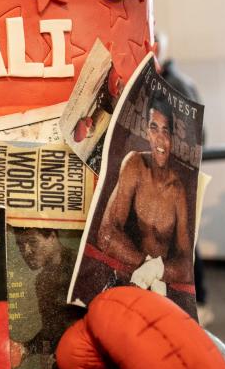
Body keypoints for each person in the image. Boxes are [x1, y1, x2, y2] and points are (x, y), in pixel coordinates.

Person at [77, 92, 195, 312]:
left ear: (173, 139)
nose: (160, 139)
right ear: (147, 133)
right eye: (154, 128)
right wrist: (145, 266)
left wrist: (156, 271)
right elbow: (106, 234)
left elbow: (187, 265)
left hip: (158, 290)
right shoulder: (135, 164)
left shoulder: (178, 190)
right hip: (127, 279)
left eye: (166, 131)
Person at [155, 32, 212, 324]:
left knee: (185, 238)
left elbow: (194, 132)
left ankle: (199, 299)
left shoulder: (174, 84)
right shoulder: (165, 81)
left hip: (177, 172)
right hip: (170, 172)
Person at [13, 228, 81, 369]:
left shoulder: (80, 266)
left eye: (32, 242)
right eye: (20, 245)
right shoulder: (42, 280)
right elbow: (52, 330)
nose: (26, 251)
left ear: (51, 236)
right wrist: (26, 349)